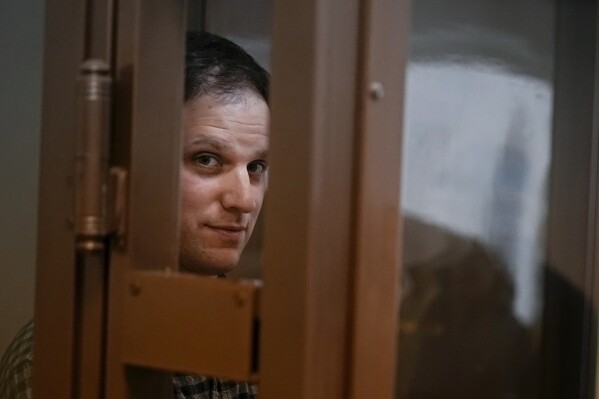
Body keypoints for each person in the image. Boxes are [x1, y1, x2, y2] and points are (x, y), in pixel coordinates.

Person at [0, 31, 270, 399]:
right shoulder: (65, 356)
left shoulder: (252, 332)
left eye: (256, 166)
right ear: (136, 165)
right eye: (206, 159)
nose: (244, 200)